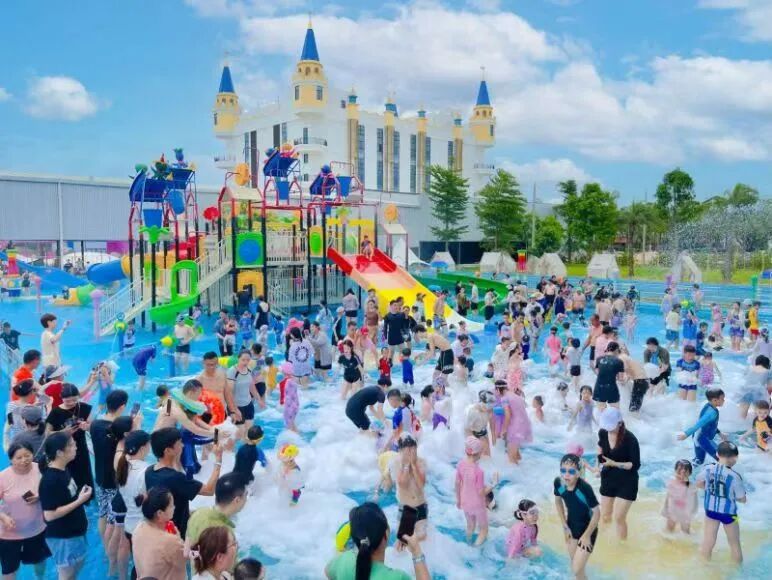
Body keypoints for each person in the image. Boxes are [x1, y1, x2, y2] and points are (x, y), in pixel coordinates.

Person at [145, 428, 222, 539]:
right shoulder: (175, 478)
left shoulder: (150, 471)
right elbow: (209, 490)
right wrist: (218, 460)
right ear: (168, 450)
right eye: (179, 443)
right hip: (176, 532)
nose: (183, 445)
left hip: (159, 529)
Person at [324, 502, 428, 580]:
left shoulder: (343, 560)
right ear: (385, 535)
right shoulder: (397, 577)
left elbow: (328, 572)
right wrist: (416, 551)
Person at [38, 433, 92, 580]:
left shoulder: (63, 469)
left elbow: (65, 498)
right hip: (64, 537)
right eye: (72, 445)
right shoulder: (50, 480)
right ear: (60, 453)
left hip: (73, 532)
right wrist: (80, 500)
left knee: (76, 568)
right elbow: (49, 515)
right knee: (66, 575)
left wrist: (79, 496)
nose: (76, 447)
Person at [0, 441, 50, 579]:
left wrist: (40, 496)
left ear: (32, 454)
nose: (24, 460)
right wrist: (3, 517)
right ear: (11, 459)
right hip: (9, 534)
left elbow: (51, 490)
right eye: (19, 457)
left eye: (27, 455)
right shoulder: (3, 477)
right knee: (9, 571)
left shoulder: (41, 469)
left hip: (36, 530)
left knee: (40, 562)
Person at [696, 441, 746, 564]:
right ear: (735, 457)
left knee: (708, 542)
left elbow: (699, 483)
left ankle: (704, 567)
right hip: (729, 514)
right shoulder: (735, 476)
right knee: (734, 543)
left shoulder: (708, 469)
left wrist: (709, 489)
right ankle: (737, 571)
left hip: (711, 512)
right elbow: (742, 499)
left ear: (717, 454)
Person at [554, 453, 600, 580]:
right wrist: (565, 526)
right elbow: (558, 501)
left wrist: (586, 536)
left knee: (576, 568)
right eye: (563, 470)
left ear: (578, 473)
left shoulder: (584, 489)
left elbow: (597, 513)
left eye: (571, 471)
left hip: (588, 530)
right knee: (576, 569)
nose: (566, 475)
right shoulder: (559, 484)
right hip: (571, 528)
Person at [597, 407, 640, 540]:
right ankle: (604, 541)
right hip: (608, 477)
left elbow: (635, 465)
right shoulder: (603, 432)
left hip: (627, 481)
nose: (608, 429)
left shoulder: (630, 439)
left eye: (611, 426)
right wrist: (599, 466)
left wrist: (614, 464)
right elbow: (600, 448)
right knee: (605, 516)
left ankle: (622, 546)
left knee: (619, 518)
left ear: (620, 423)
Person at [44, 384, 94, 495]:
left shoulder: (85, 408)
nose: (71, 403)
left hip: (81, 447)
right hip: (63, 449)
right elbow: (47, 434)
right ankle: (74, 497)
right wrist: (63, 432)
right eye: (67, 401)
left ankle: (88, 495)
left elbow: (91, 426)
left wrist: (87, 427)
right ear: (61, 398)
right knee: (70, 474)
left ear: (78, 397)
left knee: (85, 472)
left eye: (74, 400)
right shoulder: (56, 412)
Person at [131, 487, 187, 580]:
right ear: (160, 513)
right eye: (171, 505)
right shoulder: (170, 541)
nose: (174, 507)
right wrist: (178, 538)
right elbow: (184, 558)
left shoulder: (138, 529)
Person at [455, 437, 496, 545]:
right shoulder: (478, 471)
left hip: (465, 501)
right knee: (484, 530)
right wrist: (493, 484)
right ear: (478, 453)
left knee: (470, 526)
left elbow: (457, 483)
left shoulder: (460, 465)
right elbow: (481, 493)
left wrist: (458, 500)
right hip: (477, 504)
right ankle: (475, 549)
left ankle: (468, 544)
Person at [186, 473, 246, 547]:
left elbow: (187, 548)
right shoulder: (224, 534)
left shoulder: (198, 513)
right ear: (237, 500)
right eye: (246, 495)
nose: (246, 499)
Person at [391, 434, 428, 543]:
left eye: (413, 448)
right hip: (405, 508)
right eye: (407, 449)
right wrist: (406, 465)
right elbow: (403, 484)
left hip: (420, 505)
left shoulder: (421, 462)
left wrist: (414, 466)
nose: (411, 452)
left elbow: (421, 485)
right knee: (402, 542)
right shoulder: (396, 463)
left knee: (422, 539)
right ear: (401, 450)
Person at [678, 387, 727, 466]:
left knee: (699, 460)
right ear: (715, 400)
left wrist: (719, 433)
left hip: (698, 436)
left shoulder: (709, 406)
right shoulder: (711, 412)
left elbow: (709, 425)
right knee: (722, 458)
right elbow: (699, 424)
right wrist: (686, 434)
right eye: (722, 399)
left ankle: (685, 469)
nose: (724, 400)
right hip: (702, 438)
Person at [225, 351, 259, 440]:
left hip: (248, 405)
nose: (245, 362)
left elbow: (251, 386)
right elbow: (229, 393)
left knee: (249, 433)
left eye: (248, 360)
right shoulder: (232, 371)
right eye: (243, 360)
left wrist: (259, 399)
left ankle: (246, 448)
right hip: (236, 406)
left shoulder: (249, 369)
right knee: (239, 434)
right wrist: (235, 409)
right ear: (238, 359)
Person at [661, 459, 698, 534]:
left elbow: (695, 502)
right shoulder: (672, 482)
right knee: (668, 531)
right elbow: (668, 496)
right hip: (672, 510)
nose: (682, 474)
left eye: (685, 472)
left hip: (685, 513)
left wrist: (692, 512)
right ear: (675, 471)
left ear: (690, 473)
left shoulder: (691, 486)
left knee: (686, 533)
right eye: (679, 471)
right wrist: (665, 508)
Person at [593, 342, 624, 410]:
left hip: (599, 388)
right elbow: (621, 378)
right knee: (615, 411)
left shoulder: (599, 359)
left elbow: (597, 373)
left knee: (601, 412)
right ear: (616, 350)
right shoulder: (619, 361)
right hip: (611, 388)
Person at [739, 355, 771, 420]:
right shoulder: (768, 372)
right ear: (767, 364)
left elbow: (744, 378)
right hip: (758, 392)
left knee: (742, 413)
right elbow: (770, 387)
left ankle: (740, 422)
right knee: (761, 412)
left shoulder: (749, 368)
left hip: (745, 390)